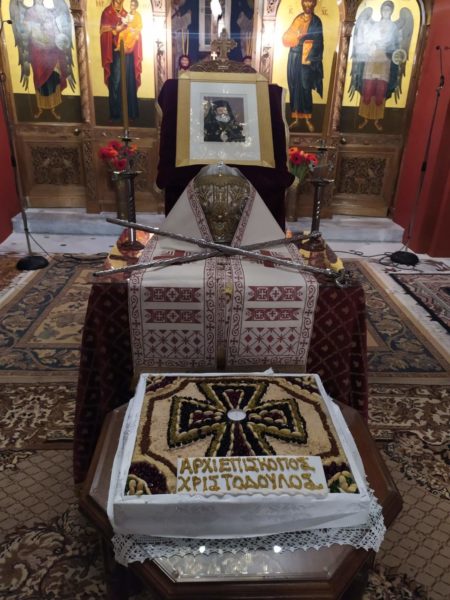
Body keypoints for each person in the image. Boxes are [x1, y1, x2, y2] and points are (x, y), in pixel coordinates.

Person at [349, 1, 412, 131]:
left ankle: (377, 120)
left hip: (385, 61)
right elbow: (367, 40)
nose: (386, 12)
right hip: (372, 60)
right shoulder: (375, 25)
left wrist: (392, 52)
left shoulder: (394, 28)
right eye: (384, 9)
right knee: (368, 87)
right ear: (381, 11)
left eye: (388, 10)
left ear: (391, 12)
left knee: (381, 89)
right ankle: (365, 118)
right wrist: (370, 46)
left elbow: (397, 45)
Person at [11, 0, 76, 120]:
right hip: (37, 55)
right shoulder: (29, 13)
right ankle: (40, 108)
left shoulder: (52, 11)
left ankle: (53, 107)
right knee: (40, 81)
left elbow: (57, 32)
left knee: (54, 79)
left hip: (52, 52)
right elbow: (25, 35)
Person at [282, 0, 324, 133]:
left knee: (305, 87)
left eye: (310, 3)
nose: (307, 6)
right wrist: (295, 37)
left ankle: (307, 119)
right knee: (294, 87)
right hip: (294, 56)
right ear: (302, 4)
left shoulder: (316, 21)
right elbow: (287, 37)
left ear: (314, 4)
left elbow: (319, 42)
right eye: (305, 3)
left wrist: (311, 56)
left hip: (307, 58)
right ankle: (296, 118)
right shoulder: (298, 19)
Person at [100, 0, 143, 122]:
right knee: (116, 81)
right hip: (114, 53)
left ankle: (131, 113)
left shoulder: (126, 13)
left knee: (129, 80)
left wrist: (134, 34)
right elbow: (103, 31)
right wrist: (115, 29)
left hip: (128, 52)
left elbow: (136, 29)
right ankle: (115, 114)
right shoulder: (107, 13)